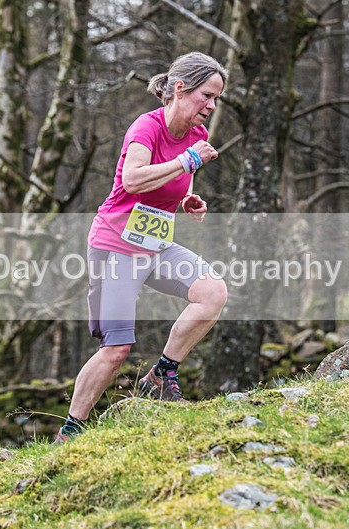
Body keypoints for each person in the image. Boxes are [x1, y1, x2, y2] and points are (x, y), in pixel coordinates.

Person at [55, 52, 229, 442]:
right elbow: (133, 180)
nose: (211, 106)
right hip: (115, 247)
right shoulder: (146, 127)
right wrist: (187, 161)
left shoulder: (197, 135)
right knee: (117, 349)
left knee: (213, 292)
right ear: (180, 88)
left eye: (216, 98)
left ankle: (162, 374)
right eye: (206, 95)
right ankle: (70, 430)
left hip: (155, 246)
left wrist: (188, 200)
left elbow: (174, 182)